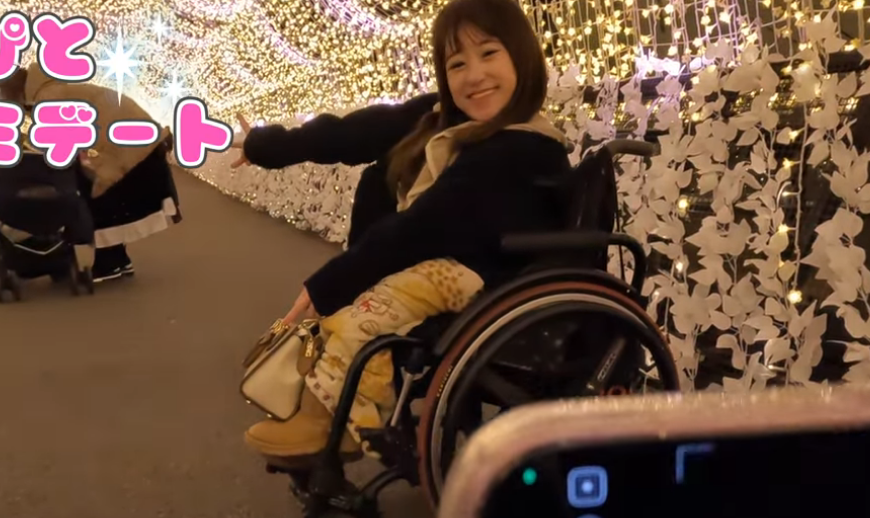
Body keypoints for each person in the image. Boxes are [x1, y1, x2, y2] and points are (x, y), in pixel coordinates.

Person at [232, 0, 572, 462]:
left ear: (522, 57)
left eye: (489, 53)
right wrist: (264, 145)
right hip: (442, 266)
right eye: (457, 63)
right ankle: (334, 408)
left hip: (486, 282)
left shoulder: (519, 146)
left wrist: (332, 283)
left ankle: (336, 420)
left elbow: (424, 224)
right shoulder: (447, 121)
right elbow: (353, 133)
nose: (474, 75)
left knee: (361, 311)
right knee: (382, 177)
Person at [0, 62, 181, 283]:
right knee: (106, 199)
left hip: (130, 147)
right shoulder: (49, 91)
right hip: (136, 143)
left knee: (99, 196)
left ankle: (110, 263)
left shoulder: (48, 97)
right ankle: (117, 260)